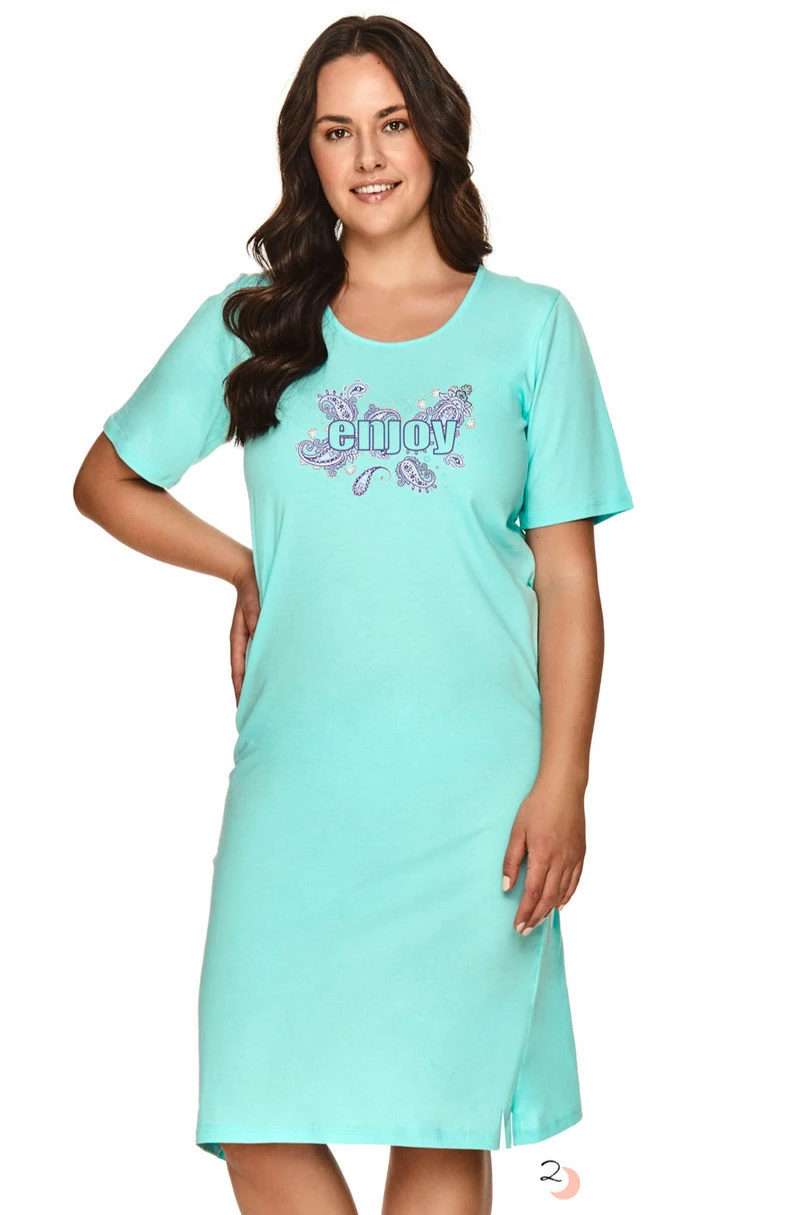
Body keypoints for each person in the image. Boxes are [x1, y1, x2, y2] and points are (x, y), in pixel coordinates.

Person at [73, 14, 634, 1215]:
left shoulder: (533, 328)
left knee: (440, 1122)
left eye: (392, 124)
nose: (369, 156)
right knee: (256, 1114)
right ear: (308, 154)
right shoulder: (256, 319)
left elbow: (570, 583)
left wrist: (564, 783)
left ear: (437, 137)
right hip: (297, 789)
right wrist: (243, 567)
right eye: (338, 131)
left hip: (474, 803)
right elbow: (107, 481)